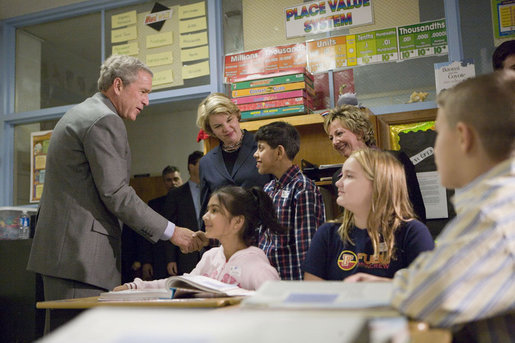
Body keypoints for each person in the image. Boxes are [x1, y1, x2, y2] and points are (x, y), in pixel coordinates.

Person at [345, 71, 515, 342]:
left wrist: (388, 290)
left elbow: (430, 299)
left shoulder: (493, 214)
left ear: (463, 137)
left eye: (439, 134)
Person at [27, 55, 207, 301]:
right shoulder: (104, 120)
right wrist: (172, 232)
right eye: (143, 91)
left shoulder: (83, 113)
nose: (146, 101)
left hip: (66, 256)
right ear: (118, 85)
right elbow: (117, 194)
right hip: (80, 260)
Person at [114, 185, 287, 291]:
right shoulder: (210, 257)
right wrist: (135, 286)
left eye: (214, 211)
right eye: (207, 210)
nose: (205, 217)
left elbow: (279, 312)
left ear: (237, 222)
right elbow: (181, 283)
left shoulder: (257, 267)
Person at [302, 148, 434, 281]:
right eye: (341, 175)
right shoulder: (327, 233)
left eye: (349, 176)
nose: (338, 183)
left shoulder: (412, 233)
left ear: (378, 183)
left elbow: (433, 289)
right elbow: (313, 293)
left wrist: (380, 285)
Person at [323, 105, 427, 222]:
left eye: (339, 134)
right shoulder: (338, 178)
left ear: (359, 133)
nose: (335, 142)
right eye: (331, 138)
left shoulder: (395, 160)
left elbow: (416, 209)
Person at [253, 121, 326, 280]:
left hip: (292, 284)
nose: (255, 154)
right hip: (268, 281)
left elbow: (306, 247)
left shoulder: (303, 188)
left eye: (261, 148)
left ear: (279, 152)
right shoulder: (268, 188)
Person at [196, 93, 272, 228]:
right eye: (218, 126)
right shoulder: (206, 162)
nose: (226, 128)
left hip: (264, 238)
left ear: (237, 115)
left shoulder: (263, 147)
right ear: (211, 130)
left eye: (229, 120)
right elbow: (206, 211)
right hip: (226, 243)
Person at [132, 165, 184, 281]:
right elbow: (146, 235)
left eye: (176, 179)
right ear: (164, 182)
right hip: (160, 258)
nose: (173, 183)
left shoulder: (188, 204)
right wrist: (146, 261)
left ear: (181, 180)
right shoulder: (154, 204)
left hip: (184, 257)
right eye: (168, 180)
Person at [161, 151, 204, 276]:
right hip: (187, 252)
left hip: (210, 250)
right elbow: (169, 226)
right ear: (191, 166)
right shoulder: (176, 194)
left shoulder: (212, 189)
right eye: (203, 163)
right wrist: (171, 259)